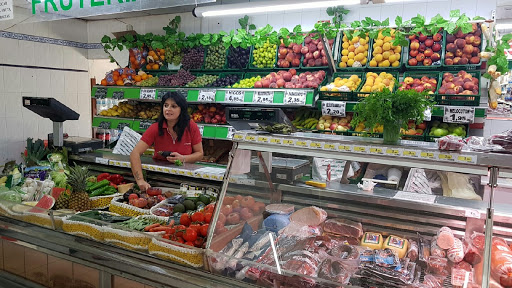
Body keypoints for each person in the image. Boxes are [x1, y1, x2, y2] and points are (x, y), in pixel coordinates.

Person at [130, 91, 203, 190]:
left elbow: (199, 154)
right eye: (166, 105)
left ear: (182, 109)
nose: (168, 109)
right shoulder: (155, 128)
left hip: (186, 178)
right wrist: (140, 180)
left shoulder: (191, 126)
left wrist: (183, 158)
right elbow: (135, 153)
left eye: (173, 106)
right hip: (159, 178)